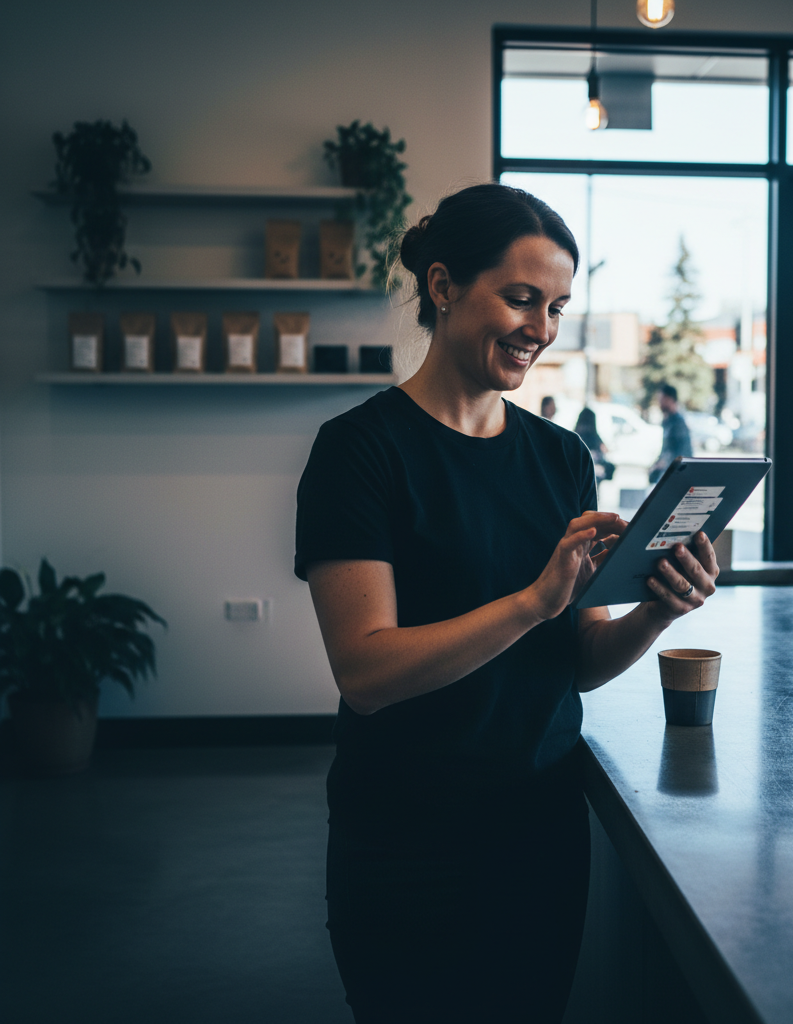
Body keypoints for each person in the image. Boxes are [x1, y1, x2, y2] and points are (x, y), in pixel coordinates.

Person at [294, 183, 719, 1024]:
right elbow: (366, 671)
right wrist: (532, 601)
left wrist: (657, 610)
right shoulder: (359, 452)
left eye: (557, 306)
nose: (542, 328)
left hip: (537, 835)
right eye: (521, 298)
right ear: (445, 286)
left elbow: (581, 666)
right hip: (407, 844)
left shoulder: (563, 459)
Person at [649, 383, 693, 484]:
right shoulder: (667, 422)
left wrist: (664, 463)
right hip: (667, 474)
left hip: (676, 477)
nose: (659, 403)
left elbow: (684, 453)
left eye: (661, 399)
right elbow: (666, 449)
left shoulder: (678, 423)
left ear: (669, 399)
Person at [574, 406, 615, 481]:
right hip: (594, 474)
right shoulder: (595, 437)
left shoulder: (574, 437)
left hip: (577, 474)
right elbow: (605, 450)